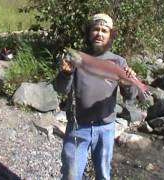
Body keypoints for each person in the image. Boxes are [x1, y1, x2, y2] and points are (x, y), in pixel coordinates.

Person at [54, 13, 136, 180]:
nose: (99, 33)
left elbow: (131, 96)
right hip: (77, 127)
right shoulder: (76, 56)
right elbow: (61, 89)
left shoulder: (119, 62)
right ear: (89, 32)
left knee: (103, 175)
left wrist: (129, 85)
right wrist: (65, 73)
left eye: (104, 30)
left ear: (110, 35)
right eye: (95, 29)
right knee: (71, 175)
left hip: (105, 129)